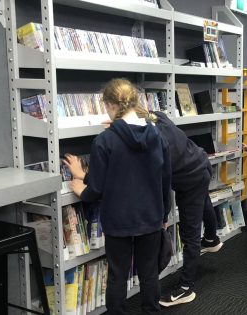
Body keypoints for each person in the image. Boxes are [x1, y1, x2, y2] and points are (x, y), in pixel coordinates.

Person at [66, 78, 171, 315]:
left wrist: (80, 184)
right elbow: (166, 180)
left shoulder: (104, 141)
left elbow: (96, 189)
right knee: (149, 274)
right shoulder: (157, 135)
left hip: (118, 221)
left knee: (117, 277)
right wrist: (163, 214)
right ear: (135, 102)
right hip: (151, 217)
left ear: (111, 105)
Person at [149, 110, 223, 307]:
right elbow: (158, 112)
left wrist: (163, 216)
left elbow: (163, 185)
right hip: (201, 163)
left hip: (188, 180)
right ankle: (211, 238)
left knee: (189, 235)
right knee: (205, 201)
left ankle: (185, 289)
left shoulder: (153, 143)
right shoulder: (158, 118)